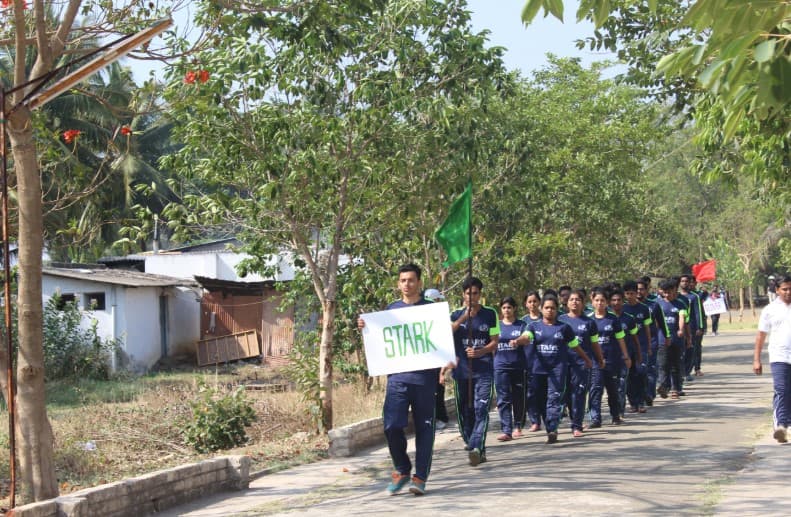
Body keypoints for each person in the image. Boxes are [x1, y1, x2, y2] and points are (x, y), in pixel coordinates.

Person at [356, 264, 447, 496]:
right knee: (392, 425)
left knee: (425, 430)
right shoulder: (390, 311)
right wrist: (365, 327)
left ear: (419, 283)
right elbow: (381, 339)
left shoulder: (431, 310)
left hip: (425, 380)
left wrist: (445, 366)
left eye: (411, 280)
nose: (407, 284)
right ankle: (402, 468)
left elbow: (442, 342)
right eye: (403, 280)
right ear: (398, 284)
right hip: (398, 380)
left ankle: (420, 478)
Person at [512, 293, 592, 443]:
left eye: (553, 308)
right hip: (538, 370)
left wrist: (587, 359)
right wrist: (517, 341)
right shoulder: (533, 326)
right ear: (541, 309)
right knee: (540, 400)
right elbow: (526, 337)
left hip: (557, 370)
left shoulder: (564, 328)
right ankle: (548, 425)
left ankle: (553, 428)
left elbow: (575, 346)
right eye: (547, 308)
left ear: (557, 310)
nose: (550, 310)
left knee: (554, 399)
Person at [449, 276, 499, 466]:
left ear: (480, 294)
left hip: (484, 370)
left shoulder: (490, 313)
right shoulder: (454, 314)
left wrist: (480, 352)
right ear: (463, 294)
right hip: (461, 371)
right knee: (464, 412)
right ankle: (476, 446)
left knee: (481, 409)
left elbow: (495, 341)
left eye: (475, 293)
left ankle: (476, 446)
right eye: (469, 294)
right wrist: (464, 317)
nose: (472, 297)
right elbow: (447, 333)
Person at [559, 289, 604, 437]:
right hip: (562, 363)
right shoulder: (561, 320)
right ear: (567, 302)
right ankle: (573, 419)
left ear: (583, 303)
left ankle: (577, 425)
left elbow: (595, 343)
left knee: (578, 393)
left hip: (582, 363)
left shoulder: (589, 323)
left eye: (578, 299)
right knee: (566, 395)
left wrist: (599, 359)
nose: (574, 302)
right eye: (571, 299)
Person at [753, 274, 791, 443]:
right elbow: (760, 336)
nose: (788, 292)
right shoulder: (770, 310)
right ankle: (781, 426)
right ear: (777, 290)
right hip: (779, 356)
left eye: (790, 289)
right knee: (781, 390)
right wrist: (756, 359)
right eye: (785, 289)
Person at [588, 288, 632, 427]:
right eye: (597, 300)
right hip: (595, 361)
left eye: (602, 300)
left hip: (612, 360)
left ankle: (615, 415)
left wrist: (626, 356)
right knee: (596, 389)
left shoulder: (613, 319)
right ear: (592, 302)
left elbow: (620, 339)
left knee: (612, 389)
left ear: (607, 303)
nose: (600, 303)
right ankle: (595, 418)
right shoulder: (589, 320)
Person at [494, 297, 527, 441]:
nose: (506, 310)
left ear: (514, 309)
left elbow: (527, 339)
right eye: (504, 308)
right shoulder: (496, 325)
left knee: (518, 397)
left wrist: (518, 341)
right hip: (500, 366)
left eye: (509, 307)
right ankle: (506, 430)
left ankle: (518, 425)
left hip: (518, 366)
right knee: (503, 398)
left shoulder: (522, 325)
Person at [654, 278, 689, 400]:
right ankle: (663, 386)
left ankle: (676, 388)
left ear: (674, 290)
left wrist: (682, 332)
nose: (668, 294)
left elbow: (682, 319)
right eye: (665, 292)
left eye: (670, 291)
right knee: (663, 365)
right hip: (662, 340)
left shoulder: (681, 304)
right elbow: (655, 322)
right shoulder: (658, 305)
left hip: (677, 340)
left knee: (676, 365)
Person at [424, 288, 450, 431]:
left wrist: (442, 370)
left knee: (438, 392)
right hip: (425, 364)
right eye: (438, 299)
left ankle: (441, 418)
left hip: (437, 363)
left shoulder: (441, 319)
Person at [521, 290, 542, 431]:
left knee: (544, 392)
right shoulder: (523, 322)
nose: (532, 304)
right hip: (528, 362)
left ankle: (550, 417)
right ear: (525, 304)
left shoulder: (546, 318)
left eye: (535, 301)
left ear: (539, 302)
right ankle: (535, 420)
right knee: (530, 393)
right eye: (529, 301)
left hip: (546, 361)